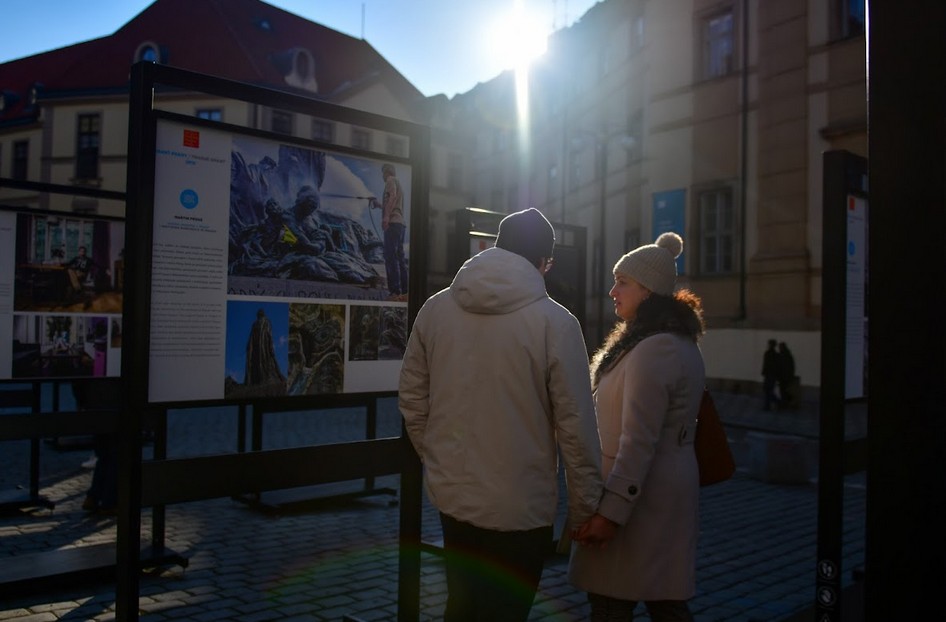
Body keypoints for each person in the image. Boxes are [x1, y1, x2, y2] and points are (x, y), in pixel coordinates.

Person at [399, 207, 604, 622]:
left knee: (461, 604)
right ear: (544, 262)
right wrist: (584, 509)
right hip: (520, 505)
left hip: (453, 496)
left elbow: (412, 397)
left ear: (496, 245)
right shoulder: (556, 323)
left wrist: (437, 459)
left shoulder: (436, 309)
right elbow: (576, 426)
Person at [568, 232, 706, 622]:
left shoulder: (655, 348)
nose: (613, 290)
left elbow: (638, 441)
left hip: (641, 500)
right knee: (663, 600)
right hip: (654, 495)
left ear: (647, 290)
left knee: (614, 603)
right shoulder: (669, 341)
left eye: (623, 282)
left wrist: (610, 514)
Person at [72, 378, 122, 514]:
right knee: (116, 455)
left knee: (104, 454)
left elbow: (78, 382)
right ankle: (109, 501)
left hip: (95, 406)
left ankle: (94, 496)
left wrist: (83, 402)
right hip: (116, 405)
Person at [369, 163, 408, 301]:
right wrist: (379, 205)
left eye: (383, 172)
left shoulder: (391, 181)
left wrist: (386, 217)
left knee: (390, 256)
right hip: (400, 224)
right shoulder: (398, 183)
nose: (382, 176)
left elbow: (391, 197)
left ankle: (394, 292)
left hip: (393, 224)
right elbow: (393, 203)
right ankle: (404, 291)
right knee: (399, 258)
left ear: (386, 172)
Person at [761, 338, 780, 411]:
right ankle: (769, 404)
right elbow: (765, 364)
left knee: (769, 390)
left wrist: (764, 371)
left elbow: (767, 364)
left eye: (769, 344)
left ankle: (771, 404)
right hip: (770, 374)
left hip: (771, 374)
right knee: (767, 390)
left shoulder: (772, 354)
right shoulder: (771, 354)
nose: (768, 345)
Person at [776, 341, 796, 409]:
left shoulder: (781, 356)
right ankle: (786, 402)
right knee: (784, 391)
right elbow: (792, 367)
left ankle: (785, 403)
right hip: (786, 376)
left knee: (783, 391)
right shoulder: (788, 355)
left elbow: (779, 366)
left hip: (783, 376)